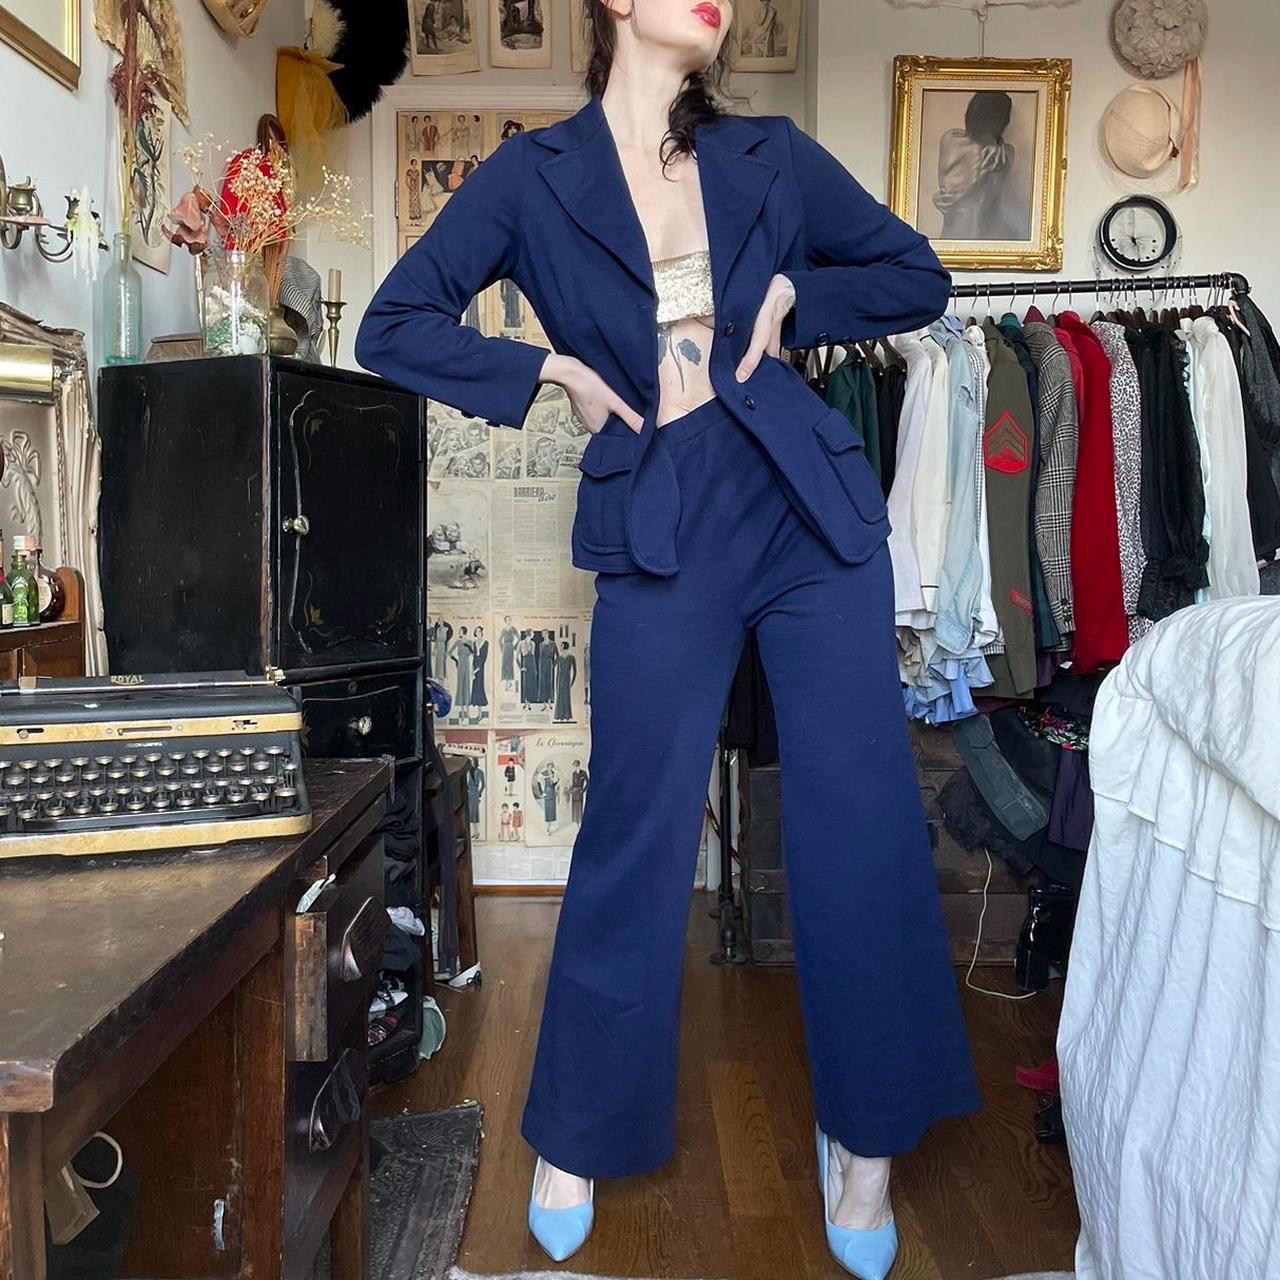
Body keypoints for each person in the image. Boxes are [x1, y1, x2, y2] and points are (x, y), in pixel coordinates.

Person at [357, 1, 977, 1274]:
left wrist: (799, 293)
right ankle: (578, 1125)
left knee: (858, 814)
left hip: (804, 507)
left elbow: (917, 275)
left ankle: (865, 1135)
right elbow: (393, 322)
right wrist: (551, 374)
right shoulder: (531, 176)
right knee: (636, 825)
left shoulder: (771, 155)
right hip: (658, 508)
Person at [932, 90, 1023, 242]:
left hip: (952, 235)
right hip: (986, 235)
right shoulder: (1002, 155)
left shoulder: (950, 139)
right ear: (1002, 123)